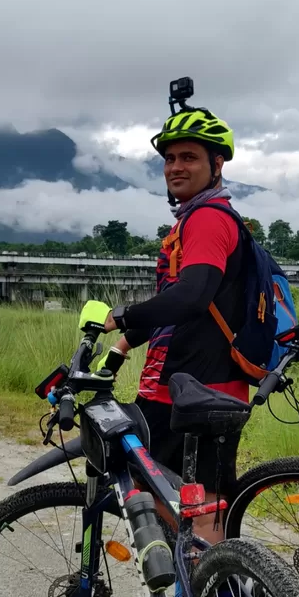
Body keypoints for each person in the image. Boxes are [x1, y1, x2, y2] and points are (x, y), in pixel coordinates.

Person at [98, 105, 248, 543]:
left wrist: (123, 315)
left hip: (193, 391)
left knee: (193, 510)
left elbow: (191, 296)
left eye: (189, 158)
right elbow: (177, 306)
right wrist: (122, 347)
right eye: (169, 158)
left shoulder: (207, 220)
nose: (175, 167)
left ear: (216, 165)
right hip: (191, 386)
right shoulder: (196, 219)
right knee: (190, 503)